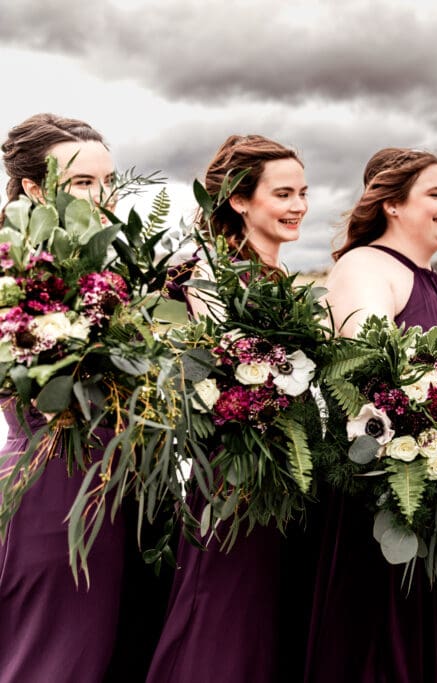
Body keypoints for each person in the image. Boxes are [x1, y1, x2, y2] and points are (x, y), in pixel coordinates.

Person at [0, 112, 171, 683]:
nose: (104, 196)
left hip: (126, 490)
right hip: (52, 490)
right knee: (52, 661)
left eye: (108, 179)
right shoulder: (13, 272)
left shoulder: (116, 272)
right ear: (33, 188)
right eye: (82, 182)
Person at [147, 134, 309, 683]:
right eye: (283, 194)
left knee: (264, 620)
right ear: (240, 201)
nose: (298, 207)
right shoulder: (202, 274)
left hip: (284, 477)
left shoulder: (283, 279)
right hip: (226, 475)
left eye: (303, 193)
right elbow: (195, 373)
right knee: (219, 610)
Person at [305, 148, 437, 682]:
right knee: (380, 649)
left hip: (430, 495)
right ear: (393, 204)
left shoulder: (434, 279)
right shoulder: (365, 266)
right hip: (380, 491)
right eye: (434, 193)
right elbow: (371, 374)